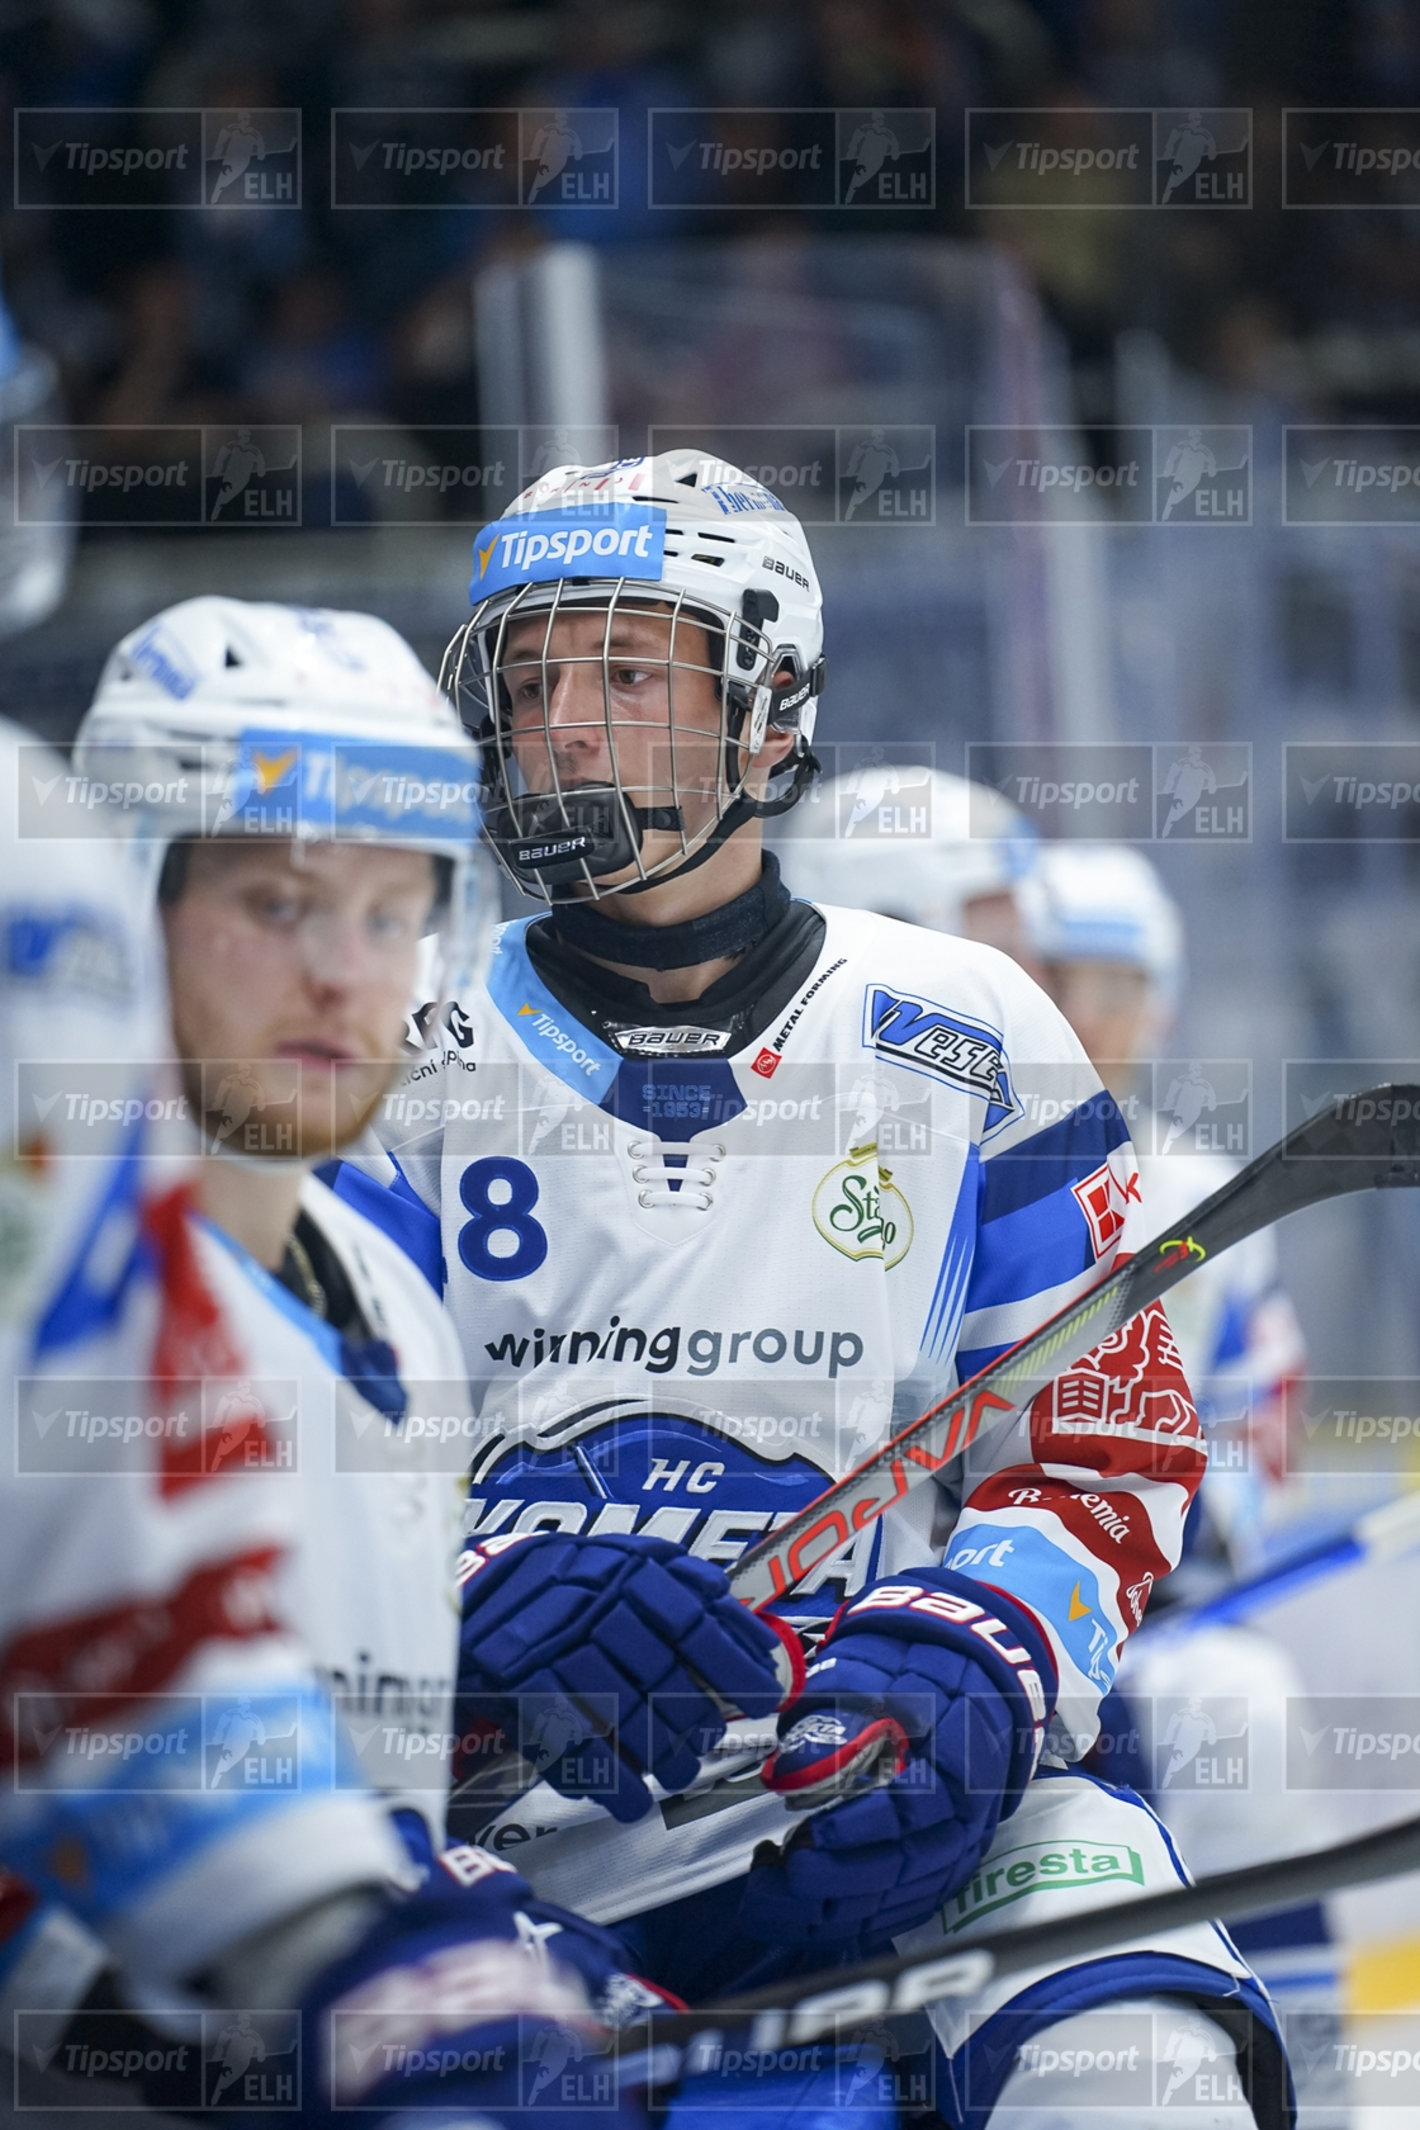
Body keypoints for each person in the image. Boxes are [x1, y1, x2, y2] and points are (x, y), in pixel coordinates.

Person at [336, 450, 1293, 2127]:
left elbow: (1104, 1438)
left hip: (873, 1777)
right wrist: (464, 1617)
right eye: (532, 675)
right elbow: (294, 1473)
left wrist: (982, 1649)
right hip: (504, 1829)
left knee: (1138, 2064)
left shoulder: (967, 1025)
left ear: (771, 711)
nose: (564, 722)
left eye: (627, 672)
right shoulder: (381, 1040)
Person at [0, 630, 649, 2127]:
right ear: (133, 904)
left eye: (388, 911)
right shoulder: (56, 1299)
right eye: (276, 902)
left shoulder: (397, 1314)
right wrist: (220, 2033)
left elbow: (366, 1789)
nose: (339, 973)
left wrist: (475, 1937)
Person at [1026, 840, 1342, 2111]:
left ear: (1157, 1004)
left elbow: (1259, 1427)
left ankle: (1311, 2079)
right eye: (1064, 979)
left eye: (1119, 986)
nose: (1089, 1016)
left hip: (1151, 1621)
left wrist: (1187, 1505)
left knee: (1239, 1714)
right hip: (971, 1613)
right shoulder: (962, 1170)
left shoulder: (1209, 1195)